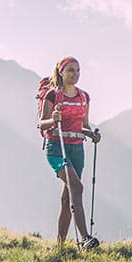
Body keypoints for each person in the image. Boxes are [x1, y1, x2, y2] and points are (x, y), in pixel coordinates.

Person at [37, 56, 101, 248]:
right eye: (71, 70)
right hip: (56, 147)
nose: (75, 74)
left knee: (68, 198)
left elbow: (84, 125)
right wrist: (53, 119)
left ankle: (60, 246)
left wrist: (92, 135)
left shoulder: (84, 97)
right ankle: (84, 238)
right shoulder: (52, 95)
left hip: (76, 148)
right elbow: (41, 123)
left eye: (78, 70)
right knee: (77, 188)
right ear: (61, 72)